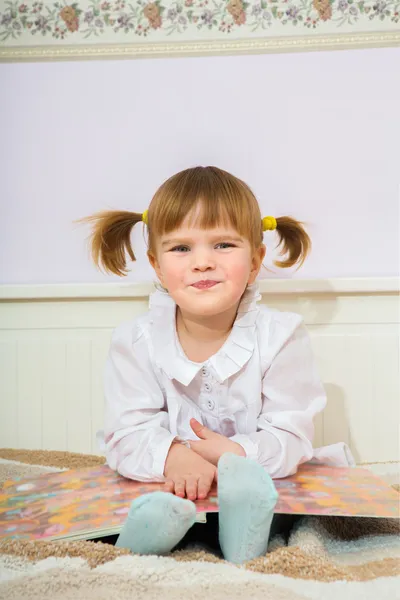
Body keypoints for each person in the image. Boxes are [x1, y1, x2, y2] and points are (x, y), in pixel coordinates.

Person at [81, 165, 353, 564]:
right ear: (157, 266)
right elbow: (126, 431)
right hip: (168, 486)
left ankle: (244, 542)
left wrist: (236, 453)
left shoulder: (280, 336)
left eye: (224, 245)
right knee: (151, 501)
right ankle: (147, 536)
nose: (203, 262)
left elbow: (290, 434)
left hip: (254, 481)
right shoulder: (136, 341)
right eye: (181, 248)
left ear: (256, 261)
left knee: (265, 496)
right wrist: (173, 456)